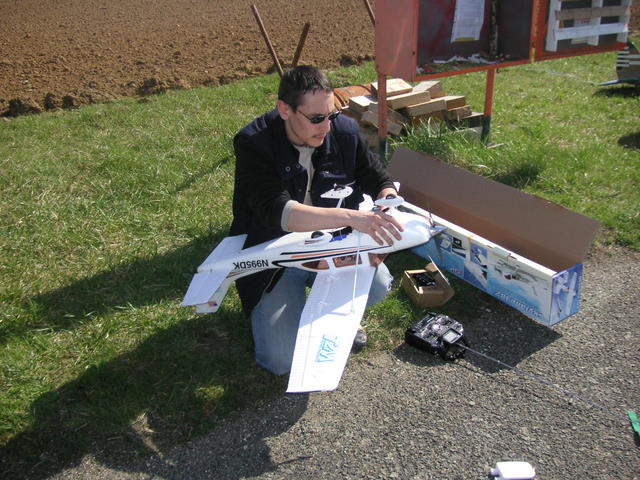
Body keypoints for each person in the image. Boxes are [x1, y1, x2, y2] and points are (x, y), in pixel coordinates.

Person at [230, 65, 403, 375]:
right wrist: (354, 217)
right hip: (277, 256)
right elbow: (279, 212)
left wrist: (387, 206)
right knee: (281, 362)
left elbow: (377, 177)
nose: (326, 127)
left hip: (333, 246)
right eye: (316, 118)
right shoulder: (253, 144)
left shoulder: (344, 132)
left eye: (331, 115)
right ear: (285, 109)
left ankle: (329, 316)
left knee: (378, 285)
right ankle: (287, 313)